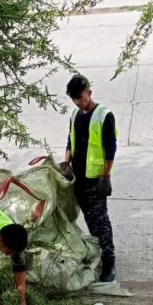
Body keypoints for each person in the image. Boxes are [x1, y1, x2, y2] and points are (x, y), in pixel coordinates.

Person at [61, 74, 117, 283]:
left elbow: (110, 149)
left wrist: (105, 176)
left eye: (80, 97)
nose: (78, 102)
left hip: (95, 179)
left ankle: (109, 261)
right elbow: (70, 140)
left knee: (100, 220)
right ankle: (98, 254)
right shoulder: (75, 115)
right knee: (89, 219)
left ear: (89, 92)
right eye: (74, 99)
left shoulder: (104, 116)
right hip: (79, 178)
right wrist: (66, 163)